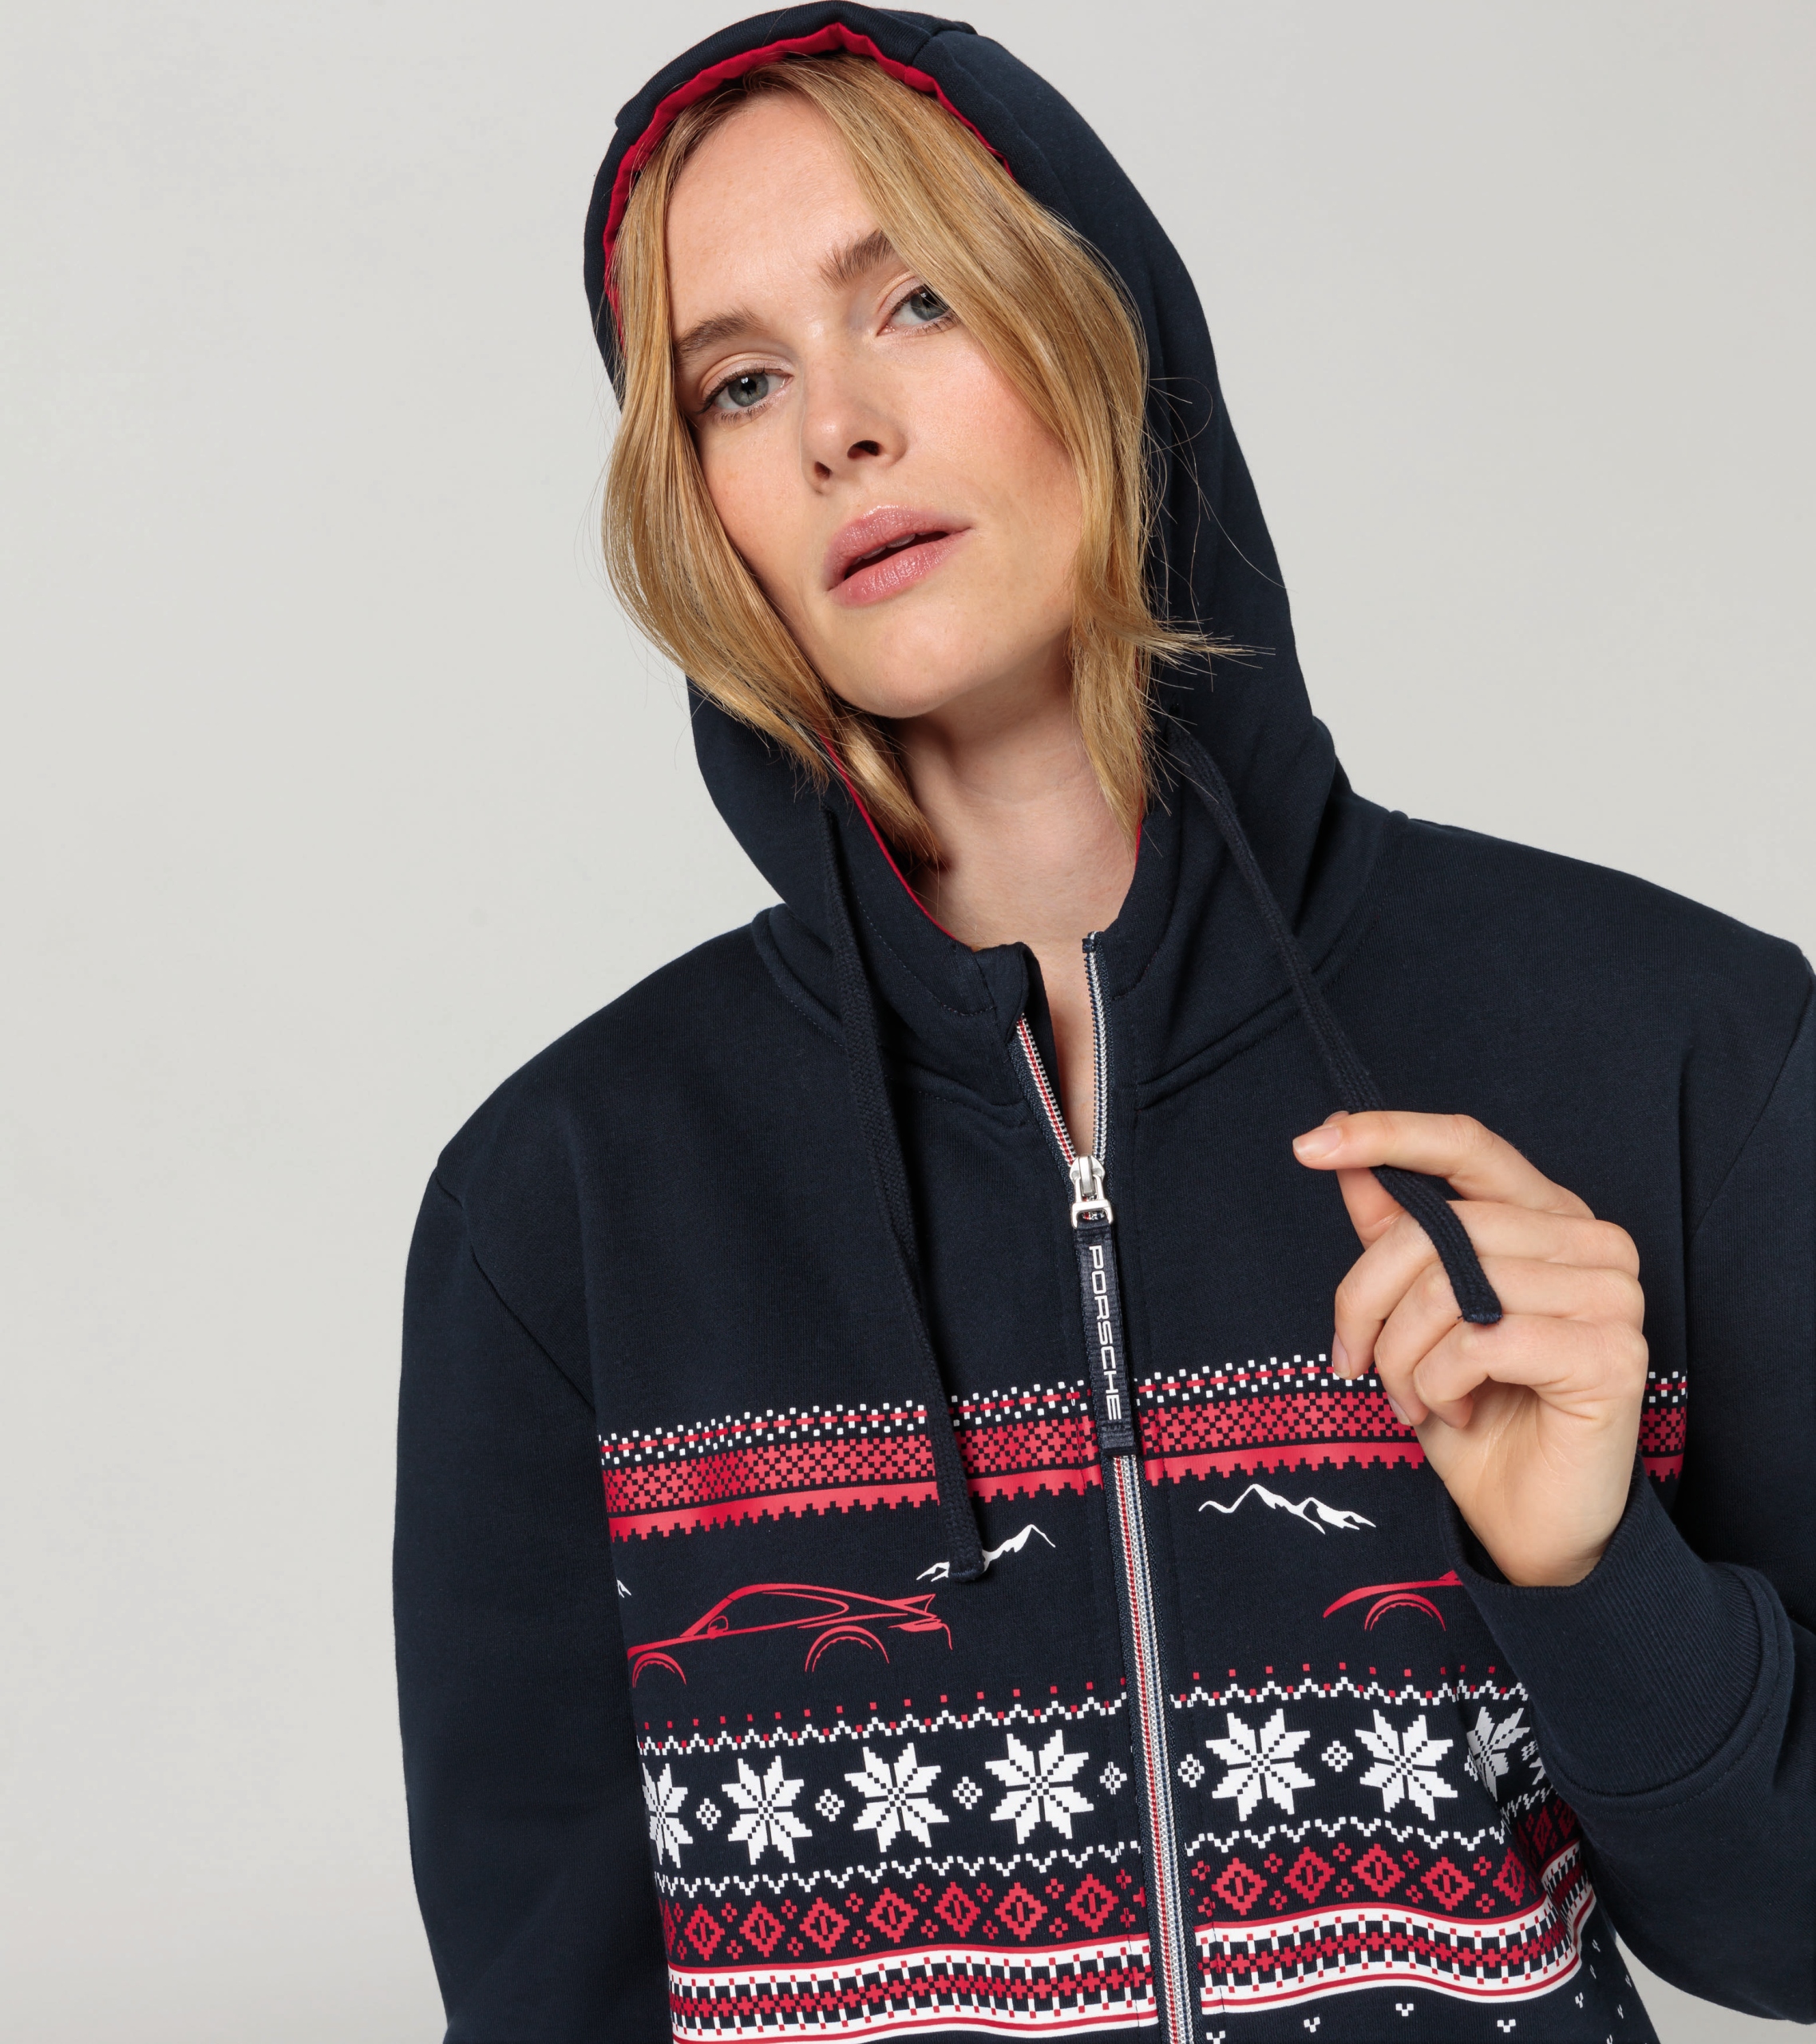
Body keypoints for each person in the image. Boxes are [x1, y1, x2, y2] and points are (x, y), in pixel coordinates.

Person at [393, 10, 1814, 2041]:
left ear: (1107, 328)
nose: (837, 429)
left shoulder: (1673, 1046)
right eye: (737, 382)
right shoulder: (568, 1205)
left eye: (917, 296)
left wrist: (1595, 1578)